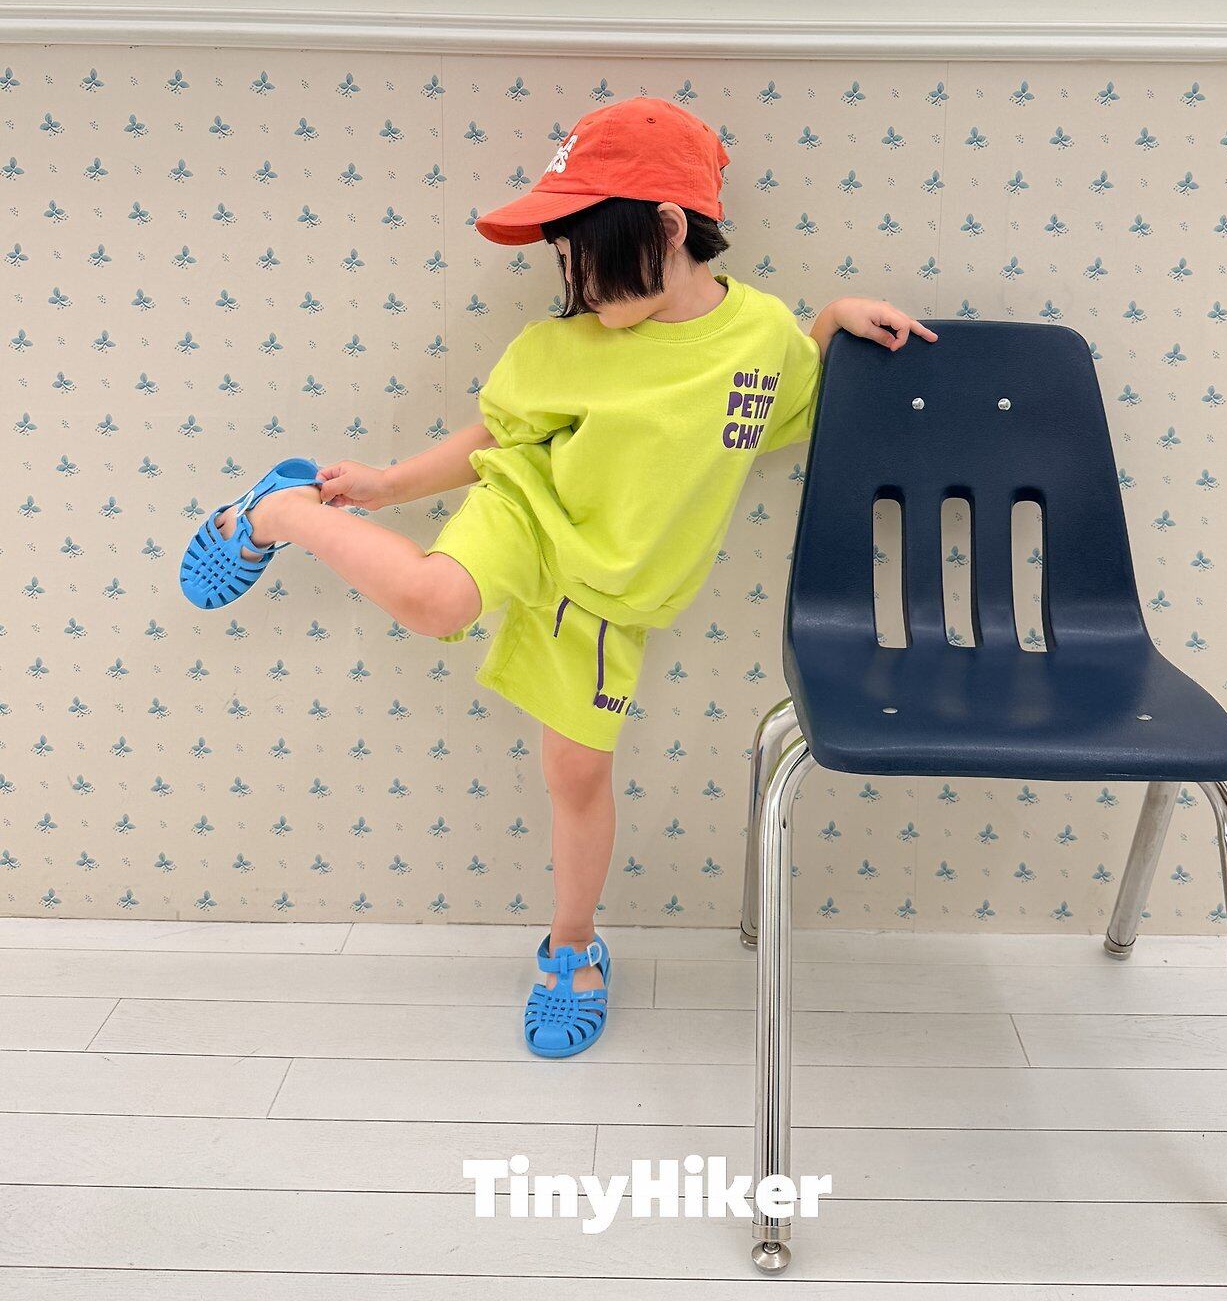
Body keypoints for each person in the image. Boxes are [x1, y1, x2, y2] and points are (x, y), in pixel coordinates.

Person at [179, 94, 938, 1058]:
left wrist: (828, 318)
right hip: (531, 514)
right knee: (434, 599)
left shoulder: (759, 338)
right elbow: (498, 436)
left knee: (577, 778)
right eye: (564, 259)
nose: (573, 282)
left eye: (586, 256)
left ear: (668, 229)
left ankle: (572, 946)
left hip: (614, 598)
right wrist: (385, 484)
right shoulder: (558, 347)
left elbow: (796, 398)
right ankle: (276, 513)